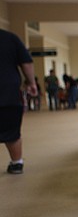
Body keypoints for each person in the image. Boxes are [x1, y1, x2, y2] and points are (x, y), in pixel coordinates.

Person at [1, 29, 38, 174]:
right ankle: (16, 163)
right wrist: (32, 82)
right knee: (11, 131)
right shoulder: (10, 38)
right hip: (7, 91)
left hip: (8, 90)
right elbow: (26, 62)